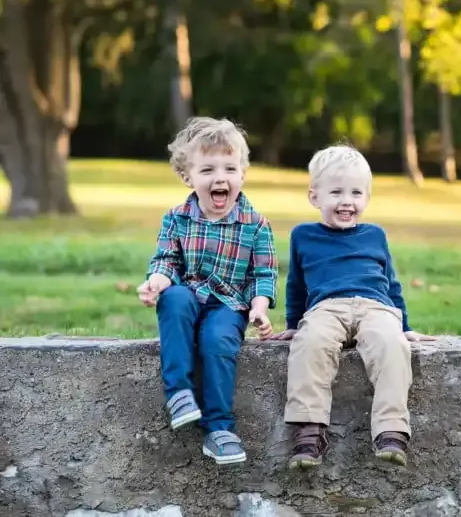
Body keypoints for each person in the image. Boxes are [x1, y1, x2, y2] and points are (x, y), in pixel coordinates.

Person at [268, 145, 436, 470]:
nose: (347, 201)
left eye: (356, 193)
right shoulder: (304, 235)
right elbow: (297, 284)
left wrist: (405, 326)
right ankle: (309, 431)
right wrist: (292, 322)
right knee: (310, 343)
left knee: (391, 346)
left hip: (376, 307)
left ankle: (391, 431)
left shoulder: (375, 235)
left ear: (367, 198)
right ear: (314, 197)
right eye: (336, 192)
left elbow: (392, 282)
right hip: (325, 309)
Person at [136, 117, 278, 466]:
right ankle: (179, 393)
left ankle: (218, 428)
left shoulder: (256, 224)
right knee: (175, 298)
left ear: (242, 174)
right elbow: (167, 260)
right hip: (189, 295)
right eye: (208, 169)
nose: (220, 177)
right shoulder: (176, 218)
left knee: (217, 340)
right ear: (188, 177)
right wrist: (157, 280)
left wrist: (259, 307)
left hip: (229, 305)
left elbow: (263, 273)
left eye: (230, 168)